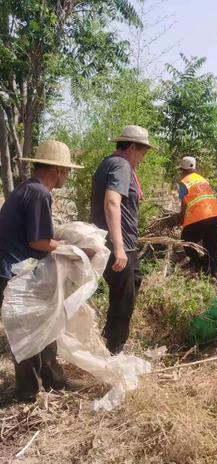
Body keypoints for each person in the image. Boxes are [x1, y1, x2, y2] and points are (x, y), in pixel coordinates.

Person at [0, 139, 84, 402]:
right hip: (16, 272)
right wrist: (74, 249)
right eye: (67, 171)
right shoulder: (39, 193)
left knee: (46, 323)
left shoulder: (28, 189)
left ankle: (53, 379)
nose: (68, 176)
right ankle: (28, 392)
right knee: (27, 332)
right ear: (56, 170)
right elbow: (38, 241)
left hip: (16, 267)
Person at [91, 125, 153, 354]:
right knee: (123, 300)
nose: (143, 159)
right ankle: (114, 352)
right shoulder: (121, 164)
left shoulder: (110, 162)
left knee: (133, 280)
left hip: (119, 243)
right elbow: (111, 202)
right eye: (143, 152)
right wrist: (118, 247)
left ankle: (109, 338)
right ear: (133, 147)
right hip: (118, 244)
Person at [177, 156, 217, 276]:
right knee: (212, 245)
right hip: (215, 213)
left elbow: (184, 206)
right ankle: (212, 273)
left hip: (201, 215)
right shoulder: (203, 180)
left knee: (186, 240)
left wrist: (181, 220)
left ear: (183, 169)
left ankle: (199, 264)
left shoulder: (184, 182)